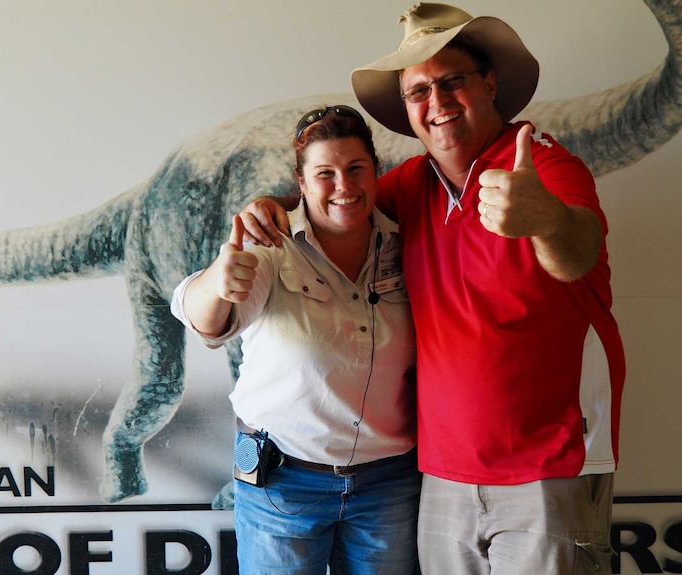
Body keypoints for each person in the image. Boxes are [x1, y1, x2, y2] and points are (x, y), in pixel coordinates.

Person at [239, 4, 626, 575]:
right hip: (440, 475)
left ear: (489, 84)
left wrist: (544, 218)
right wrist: (275, 204)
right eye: (418, 91)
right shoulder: (410, 185)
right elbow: (340, 200)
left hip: (549, 467)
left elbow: (579, 251)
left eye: (452, 82)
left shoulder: (543, 163)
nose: (437, 102)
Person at [171, 105, 420, 574]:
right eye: (325, 173)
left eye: (355, 169)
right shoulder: (269, 244)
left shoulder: (409, 242)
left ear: (376, 173)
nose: (343, 186)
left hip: (388, 485)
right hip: (282, 481)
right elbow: (199, 315)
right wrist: (219, 282)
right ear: (301, 183)